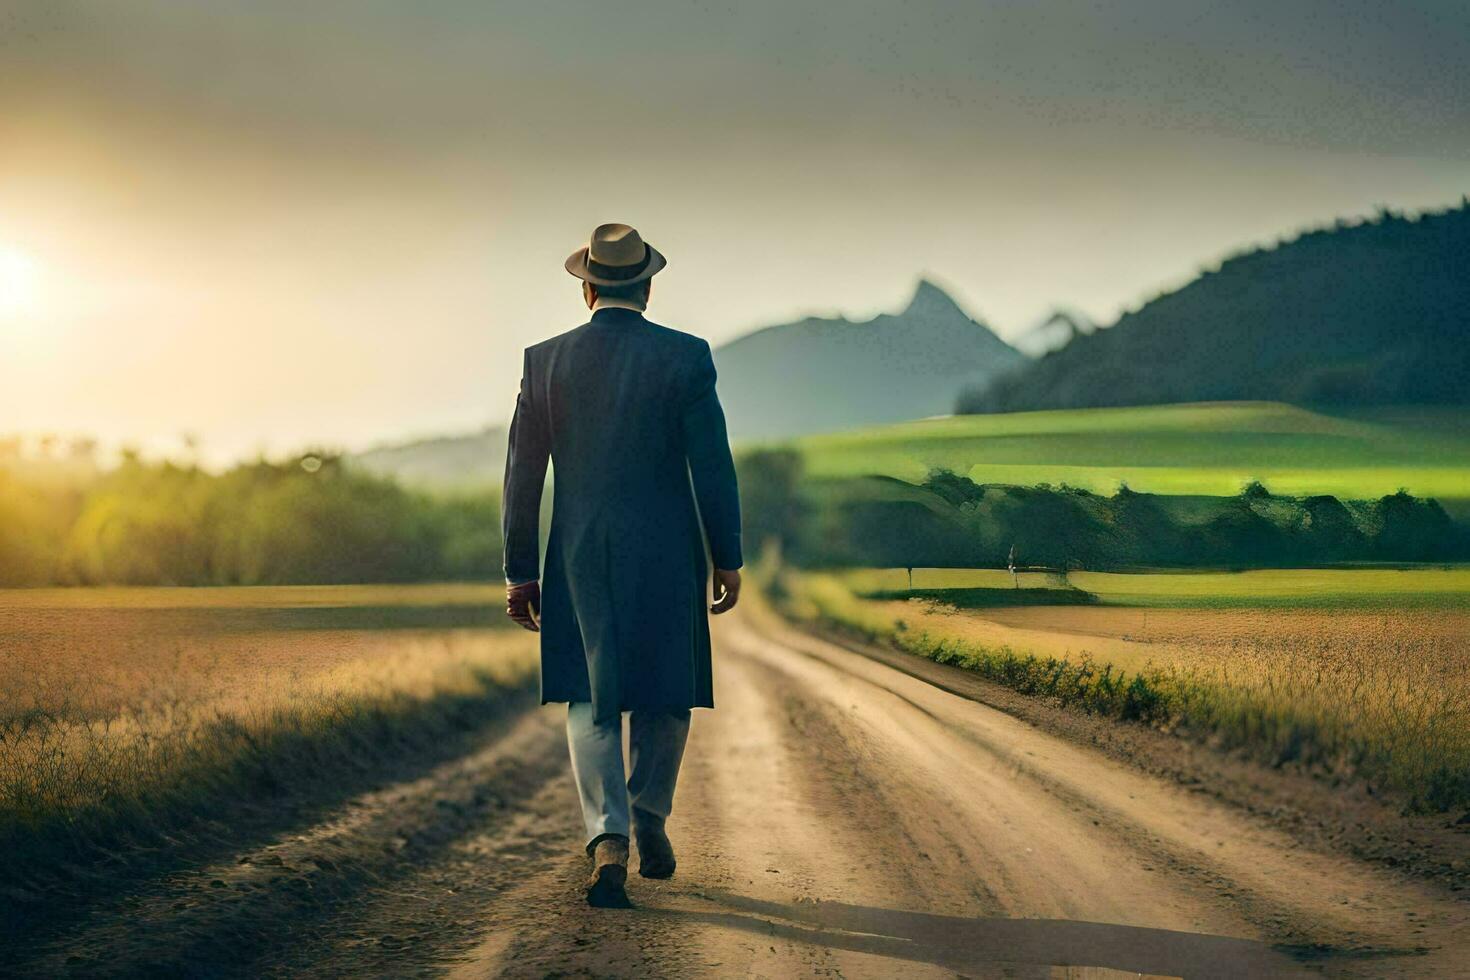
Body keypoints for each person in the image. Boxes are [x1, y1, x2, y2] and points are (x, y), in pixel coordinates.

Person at [501, 223, 743, 907]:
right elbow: (713, 465)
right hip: (670, 546)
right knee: (667, 690)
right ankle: (650, 813)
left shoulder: (543, 362)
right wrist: (728, 555)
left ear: (587, 288)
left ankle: (608, 839)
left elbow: (523, 475)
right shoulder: (686, 358)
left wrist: (520, 570)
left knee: (589, 693)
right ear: (648, 285)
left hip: (579, 549)